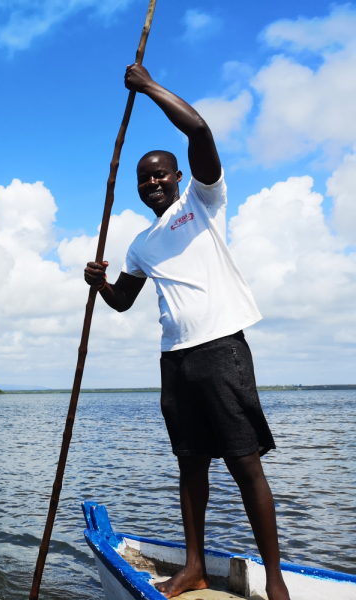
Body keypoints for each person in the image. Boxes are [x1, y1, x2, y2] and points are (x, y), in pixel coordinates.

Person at [84, 66, 290, 600]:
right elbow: (124, 302)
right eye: (143, 178)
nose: (152, 182)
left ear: (177, 177)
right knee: (190, 466)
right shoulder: (140, 243)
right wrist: (100, 283)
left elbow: (199, 131)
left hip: (222, 349)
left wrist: (148, 86)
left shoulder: (203, 202)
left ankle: (275, 580)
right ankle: (193, 567)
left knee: (245, 465)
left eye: (160, 174)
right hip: (174, 359)